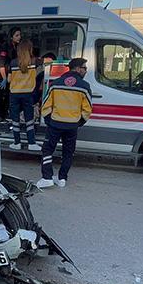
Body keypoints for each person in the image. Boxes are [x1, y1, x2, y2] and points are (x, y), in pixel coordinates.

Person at [37, 58, 92, 188]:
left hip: (55, 123)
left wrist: (49, 120)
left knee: (47, 150)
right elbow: (87, 109)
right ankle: (62, 178)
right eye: (84, 68)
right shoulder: (84, 86)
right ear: (77, 69)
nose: (86, 71)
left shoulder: (56, 83)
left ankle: (47, 177)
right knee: (68, 152)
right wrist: (79, 122)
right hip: (72, 125)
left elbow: (45, 105)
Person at [7, 40, 43, 151]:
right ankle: (31, 143)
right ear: (30, 49)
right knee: (29, 119)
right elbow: (49, 61)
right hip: (28, 93)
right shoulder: (35, 61)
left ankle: (17, 143)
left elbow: (9, 80)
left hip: (14, 94)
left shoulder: (13, 63)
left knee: (15, 119)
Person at [0, 27, 22, 121]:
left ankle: (6, 114)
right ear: (11, 37)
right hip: (2, 75)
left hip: (11, 75)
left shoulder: (17, 47)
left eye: (19, 35)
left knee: (8, 96)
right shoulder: (5, 47)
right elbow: (1, 64)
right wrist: (4, 78)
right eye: (17, 35)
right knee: (1, 96)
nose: (19, 37)